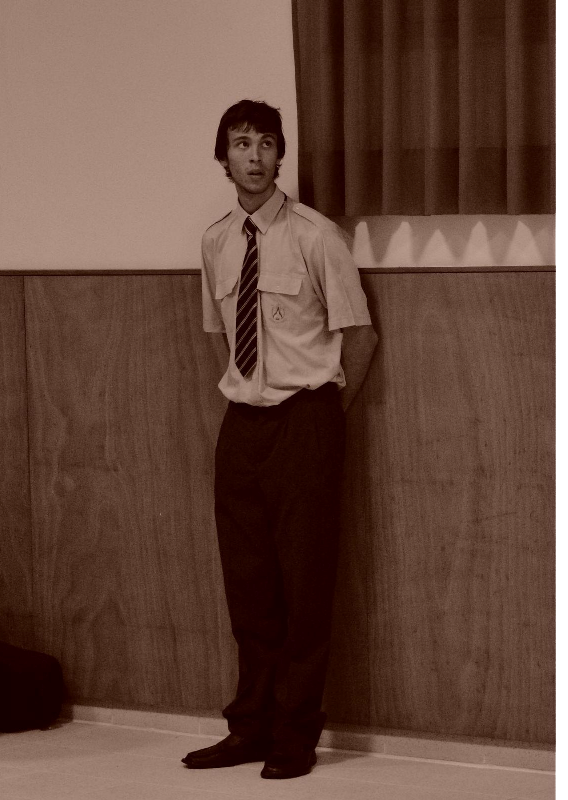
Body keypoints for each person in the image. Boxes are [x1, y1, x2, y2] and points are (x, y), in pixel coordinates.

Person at [182, 99, 378, 780]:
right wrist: (254, 399)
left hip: (307, 421)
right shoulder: (215, 241)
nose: (255, 156)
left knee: (304, 585)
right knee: (248, 587)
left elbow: (360, 339)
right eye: (241, 144)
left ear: (280, 155)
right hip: (243, 425)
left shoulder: (316, 236)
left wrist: (318, 413)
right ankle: (250, 728)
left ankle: (295, 734)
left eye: (267, 143)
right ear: (223, 157)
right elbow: (220, 339)